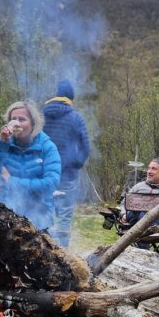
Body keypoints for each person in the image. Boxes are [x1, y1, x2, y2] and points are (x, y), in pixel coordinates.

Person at [0, 100, 61, 231]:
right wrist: (1, 144)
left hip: (40, 216)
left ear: (33, 123)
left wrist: (11, 181)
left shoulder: (47, 147)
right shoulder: (3, 144)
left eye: (22, 119)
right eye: (13, 119)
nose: (16, 123)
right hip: (7, 213)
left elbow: (50, 184)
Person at [43, 80, 90, 247]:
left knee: (43, 213)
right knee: (64, 216)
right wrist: (75, 164)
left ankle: (44, 250)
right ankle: (62, 254)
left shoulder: (41, 115)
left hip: (44, 173)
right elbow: (85, 147)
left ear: (56, 95)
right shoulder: (76, 117)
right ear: (71, 98)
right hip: (67, 174)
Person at [120, 156, 159, 227]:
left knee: (149, 212)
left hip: (156, 220)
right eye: (149, 168)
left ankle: (142, 228)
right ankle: (144, 228)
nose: (149, 172)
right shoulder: (138, 187)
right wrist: (123, 214)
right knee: (141, 211)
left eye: (154, 169)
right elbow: (124, 203)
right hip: (134, 217)